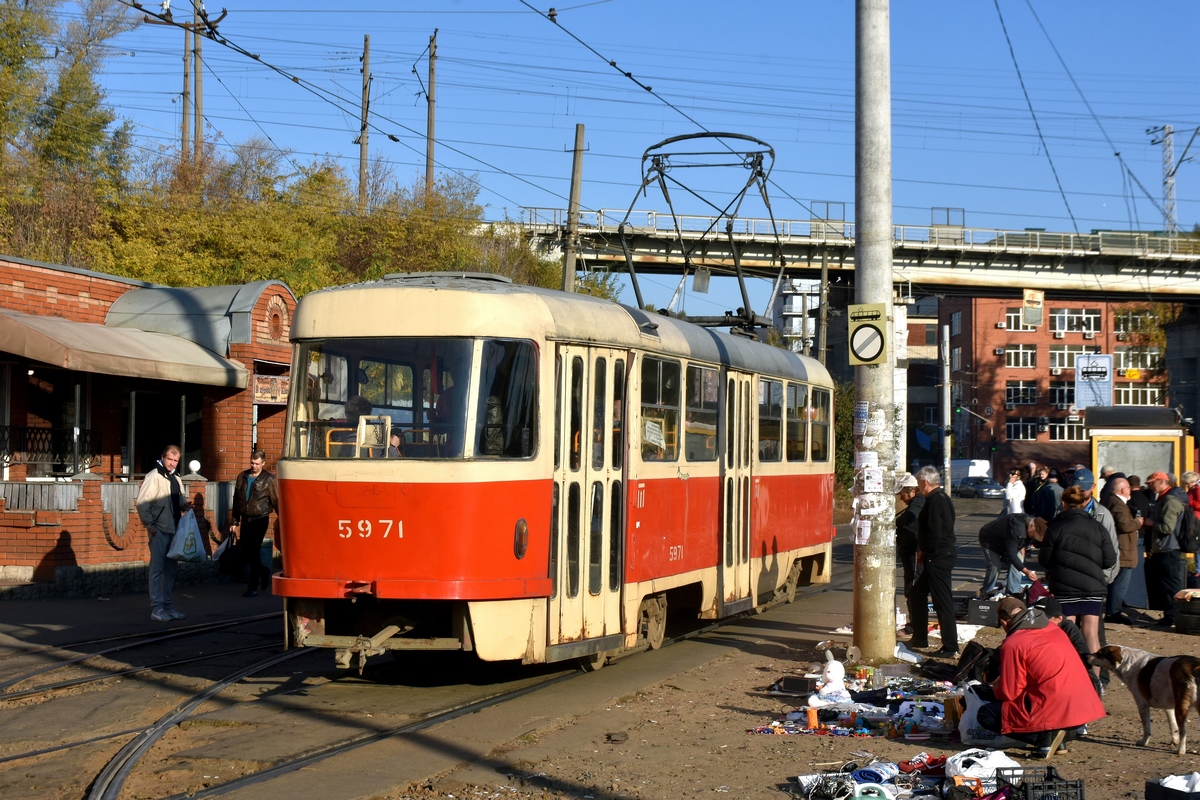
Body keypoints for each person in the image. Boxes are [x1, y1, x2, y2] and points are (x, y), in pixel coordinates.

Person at [975, 596, 1107, 758]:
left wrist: (993, 690)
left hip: (1053, 707)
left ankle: (1044, 740)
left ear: (1003, 622)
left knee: (986, 714)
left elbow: (1010, 693)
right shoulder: (1053, 629)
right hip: (1083, 707)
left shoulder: (1014, 643)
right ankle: (1059, 737)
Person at [1038, 485, 1117, 680]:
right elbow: (1109, 560)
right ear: (1083, 503)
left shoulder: (1055, 527)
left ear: (1063, 503)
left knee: (1066, 632)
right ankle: (1095, 681)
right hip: (1092, 586)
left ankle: (1068, 678)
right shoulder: (1097, 526)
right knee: (1091, 632)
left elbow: (1044, 559)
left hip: (1064, 586)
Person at [907, 465, 959, 656]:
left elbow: (934, 532)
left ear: (925, 482)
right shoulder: (942, 498)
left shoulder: (935, 501)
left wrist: (926, 553)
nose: (918, 487)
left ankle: (950, 646)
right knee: (916, 593)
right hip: (938, 556)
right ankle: (920, 637)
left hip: (938, 558)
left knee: (942, 602)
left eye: (919, 483)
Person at [136, 444, 189, 622]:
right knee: (157, 569)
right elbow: (143, 503)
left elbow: (178, 499)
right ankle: (157, 608)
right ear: (163, 457)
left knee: (171, 570)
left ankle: (168, 605)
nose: (172, 463)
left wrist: (185, 505)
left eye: (175, 460)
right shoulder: (154, 476)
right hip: (159, 529)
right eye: (170, 459)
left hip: (173, 529)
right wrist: (150, 526)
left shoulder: (175, 478)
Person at [231, 449, 280, 597]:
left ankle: (252, 587)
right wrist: (234, 520)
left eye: (257, 463)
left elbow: (276, 501)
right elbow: (236, 499)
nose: (254, 466)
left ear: (263, 463)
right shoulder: (242, 476)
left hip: (260, 519)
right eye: (252, 462)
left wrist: (283, 521)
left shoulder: (269, 479)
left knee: (253, 550)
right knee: (247, 552)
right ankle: (264, 571)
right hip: (246, 519)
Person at [1145, 471, 1186, 628]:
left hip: (1169, 548)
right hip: (1165, 547)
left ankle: (1173, 616)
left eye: (1152, 483)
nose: (1150, 486)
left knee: (1171, 585)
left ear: (1163, 482)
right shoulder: (1164, 499)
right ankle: (1171, 615)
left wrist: (1150, 523)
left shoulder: (1169, 501)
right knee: (1167, 584)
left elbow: (1167, 527)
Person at [1102, 476, 1141, 624]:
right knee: (1120, 582)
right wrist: (1138, 522)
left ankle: (1113, 609)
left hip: (1118, 547)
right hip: (1123, 549)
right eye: (1129, 488)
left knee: (1116, 582)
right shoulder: (1117, 504)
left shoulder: (1109, 501)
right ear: (1124, 490)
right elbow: (1125, 525)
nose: (1130, 490)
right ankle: (1114, 611)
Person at [978, 512, 1044, 597]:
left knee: (1018, 563)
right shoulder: (1016, 529)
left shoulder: (1034, 524)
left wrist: (1022, 549)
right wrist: (1026, 571)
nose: (1034, 538)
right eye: (1034, 535)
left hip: (1008, 541)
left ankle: (1013, 592)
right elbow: (1011, 554)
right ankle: (986, 591)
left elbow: (1021, 543)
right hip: (990, 541)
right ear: (1030, 527)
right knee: (994, 566)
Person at [894, 472, 922, 632]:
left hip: (914, 553)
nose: (901, 498)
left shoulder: (917, 502)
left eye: (902, 494)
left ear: (912, 491)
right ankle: (915, 624)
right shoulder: (916, 503)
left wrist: (898, 523)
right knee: (912, 588)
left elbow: (911, 517)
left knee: (913, 589)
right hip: (912, 553)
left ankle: (914, 626)